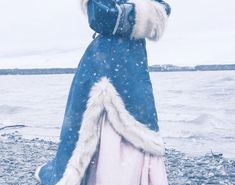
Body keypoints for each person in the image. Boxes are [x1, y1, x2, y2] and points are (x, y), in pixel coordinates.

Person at [35, 0, 171, 184]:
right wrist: (140, 15)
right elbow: (100, 16)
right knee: (89, 123)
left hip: (133, 66)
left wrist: (128, 15)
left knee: (139, 119)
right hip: (102, 63)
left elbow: (162, 12)